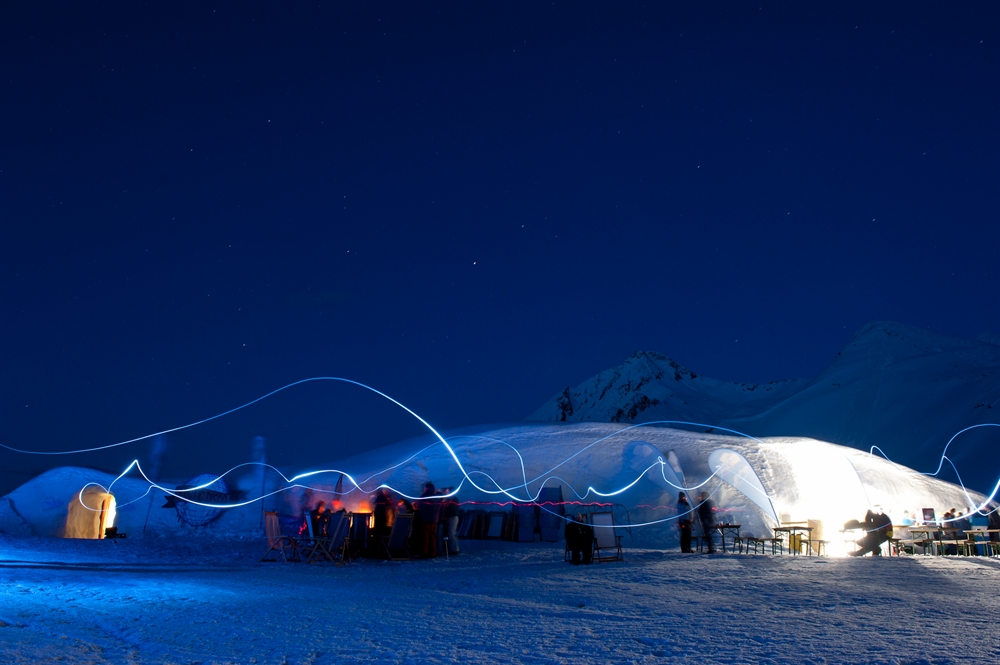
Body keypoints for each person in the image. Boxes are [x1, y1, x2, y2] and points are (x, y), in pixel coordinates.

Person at [415, 481, 441, 558]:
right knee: (432, 536)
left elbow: (419, 507)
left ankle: (425, 552)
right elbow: (439, 507)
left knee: (425, 537)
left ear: (426, 488)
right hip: (434, 519)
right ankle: (433, 552)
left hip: (425, 519)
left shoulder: (424, 497)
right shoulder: (436, 497)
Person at [442, 489, 460, 555]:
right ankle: (453, 549)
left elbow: (452, 509)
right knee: (452, 533)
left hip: (453, 517)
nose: (446, 493)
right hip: (452, 517)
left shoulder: (453, 499)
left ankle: (454, 550)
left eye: (447, 492)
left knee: (451, 533)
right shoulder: (451, 499)